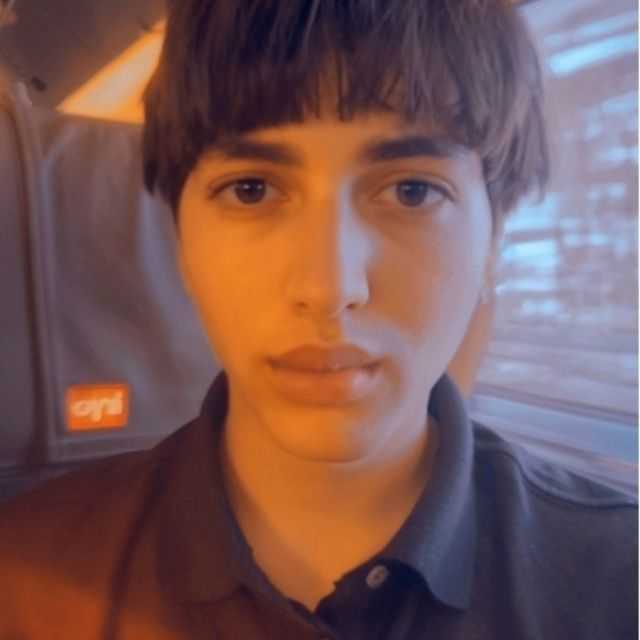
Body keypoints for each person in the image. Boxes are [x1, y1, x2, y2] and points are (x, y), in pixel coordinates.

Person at [1, 1, 637, 638]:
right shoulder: (25, 576)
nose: (328, 288)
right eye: (251, 189)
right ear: (183, 243)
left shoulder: (617, 579)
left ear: (494, 239)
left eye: (412, 190)